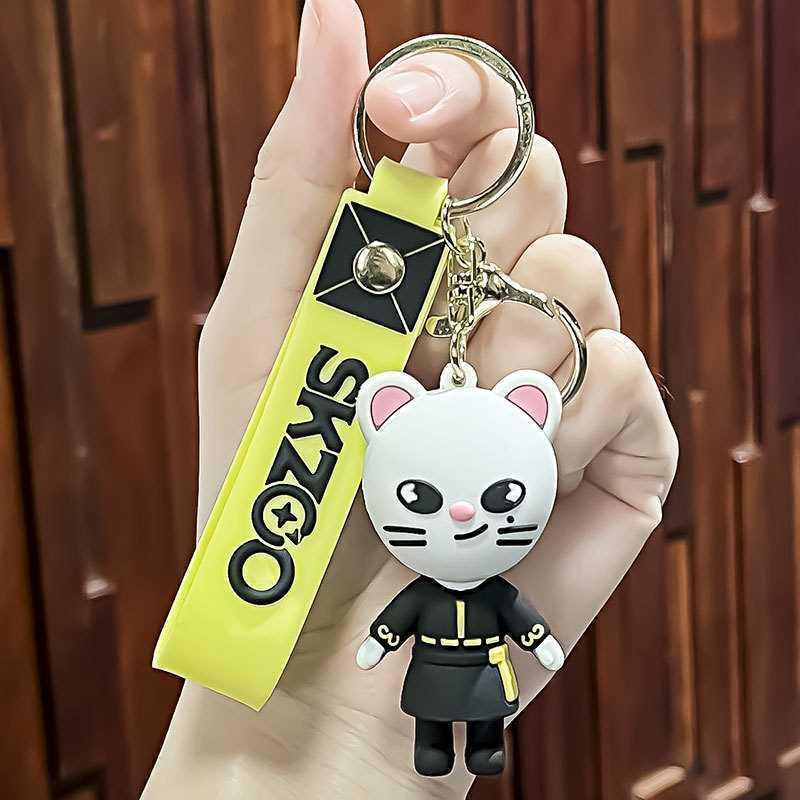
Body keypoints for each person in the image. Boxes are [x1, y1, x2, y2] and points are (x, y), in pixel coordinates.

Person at [142, 0, 678, 797]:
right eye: (426, 501)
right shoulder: (411, 542)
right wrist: (271, 735)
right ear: (379, 411)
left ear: (533, 406)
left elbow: (513, 624)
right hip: (362, 668)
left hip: (444, 689)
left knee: (466, 721)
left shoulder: (476, 575)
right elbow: (404, 630)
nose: (460, 514)